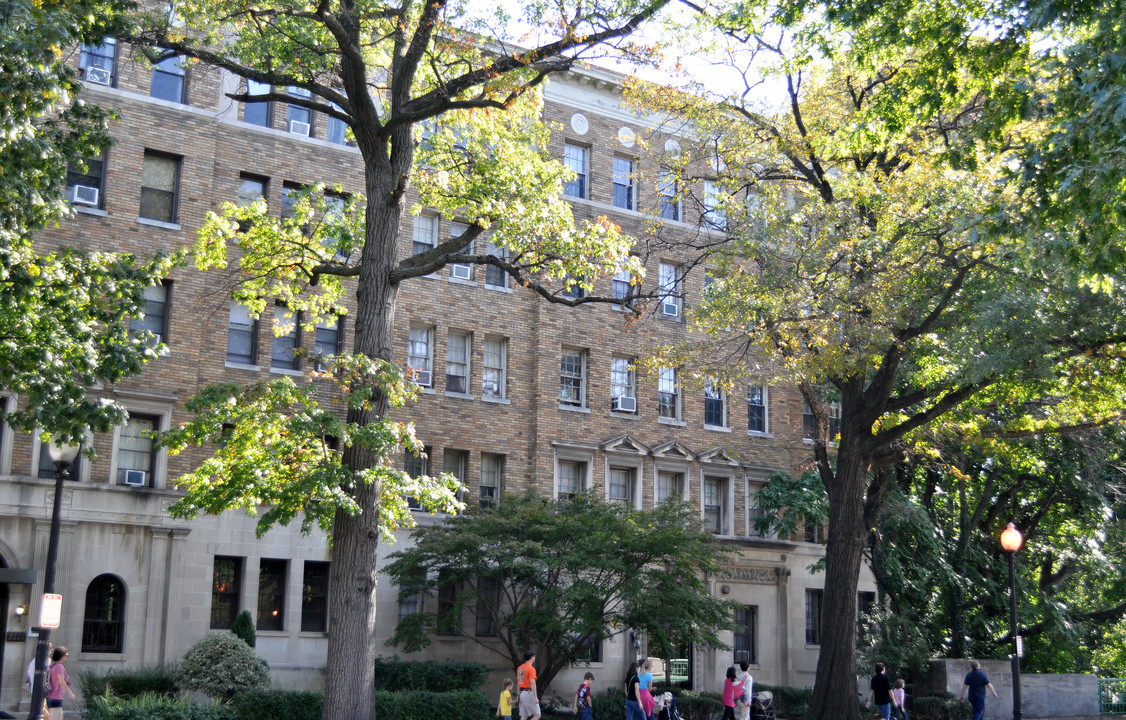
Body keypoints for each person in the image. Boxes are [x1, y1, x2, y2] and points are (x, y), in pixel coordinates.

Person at [45, 646, 76, 720]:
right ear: (61, 656)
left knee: (59, 718)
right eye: (66, 655)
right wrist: (70, 693)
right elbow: (61, 681)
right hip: (55, 696)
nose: (67, 657)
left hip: (53, 696)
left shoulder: (52, 665)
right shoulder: (59, 667)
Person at [517, 651, 541, 720]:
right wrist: (535, 697)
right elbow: (532, 683)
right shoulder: (531, 669)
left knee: (524, 716)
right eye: (534, 656)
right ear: (532, 658)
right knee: (537, 715)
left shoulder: (520, 668)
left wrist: (518, 695)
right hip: (529, 693)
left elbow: (519, 682)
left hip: (522, 693)